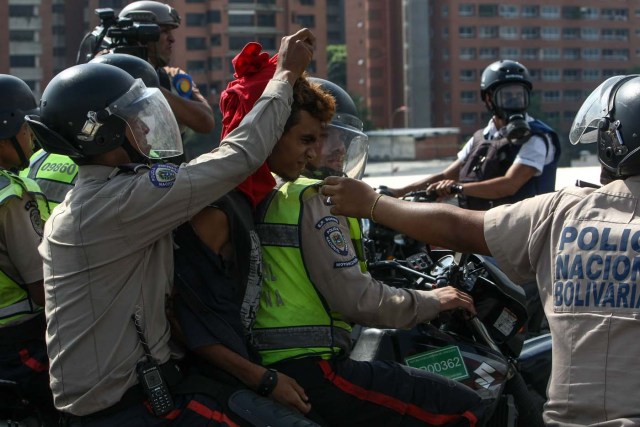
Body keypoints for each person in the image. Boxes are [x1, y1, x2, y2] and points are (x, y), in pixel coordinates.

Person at [25, 28, 315, 425]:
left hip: (136, 393)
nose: (145, 128)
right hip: (125, 410)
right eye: (132, 121)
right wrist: (284, 76)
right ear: (102, 133)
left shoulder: (97, 196)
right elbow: (240, 156)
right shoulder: (119, 203)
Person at [320, 74, 640, 426]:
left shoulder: (563, 208)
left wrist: (375, 203)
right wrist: (398, 193)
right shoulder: (483, 141)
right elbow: (450, 183)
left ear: (612, 143)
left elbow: (465, 221)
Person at [251, 79, 489, 426]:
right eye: (323, 136)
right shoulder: (316, 199)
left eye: (342, 140)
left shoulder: (276, 191)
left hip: (278, 360)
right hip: (313, 366)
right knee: (464, 406)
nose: (338, 150)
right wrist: (433, 300)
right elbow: (358, 300)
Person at [171, 42, 319, 416]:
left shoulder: (250, 199)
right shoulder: (216, 209)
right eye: (305, 140)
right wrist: (264, 380)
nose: (313, 155)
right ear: (266, 131)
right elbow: (187, 325)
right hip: (212, 387)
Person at [390, 59, 560, 211]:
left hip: (527, 231)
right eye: (507, 96)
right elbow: (445, 176)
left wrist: (458, 188)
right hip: (481, 227)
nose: (514, 102)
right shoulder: (480, 138)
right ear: (488, 98)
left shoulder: (536, 137)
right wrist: (397, 192)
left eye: (520, 96)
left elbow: (509, 185)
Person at [20, 53, 161, 210]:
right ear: (106, 132)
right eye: (134, 118)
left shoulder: (37, 159)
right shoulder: (118, 179)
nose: (145, 128)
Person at [0, 75, 56, 423]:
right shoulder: (10, 197)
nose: (30, 134)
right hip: (18, 346)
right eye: (25, 125)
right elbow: (42, 287)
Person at [118, 1, 215, 143]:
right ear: (139, 36)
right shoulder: (112, 75)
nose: (172, 39)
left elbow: (206, 121)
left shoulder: (173, 77)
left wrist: (152, 89)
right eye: (163, 31)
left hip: (166, 165)